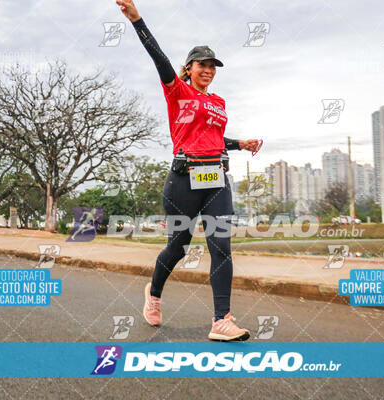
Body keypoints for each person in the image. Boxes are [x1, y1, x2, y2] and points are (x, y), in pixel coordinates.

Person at [117, 0, 261, 341]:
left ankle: (221, 320)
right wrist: (137, 20)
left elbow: (212, 137)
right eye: (202, 64)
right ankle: (153, 294)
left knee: (221, 246)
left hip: (216, 179)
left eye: (213, 66)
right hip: (183, 179)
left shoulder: (218, 102)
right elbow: (159, 58)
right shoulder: (176, 91)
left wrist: (241, 144)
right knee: (178, 246)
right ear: (190, 67)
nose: (208, 70)